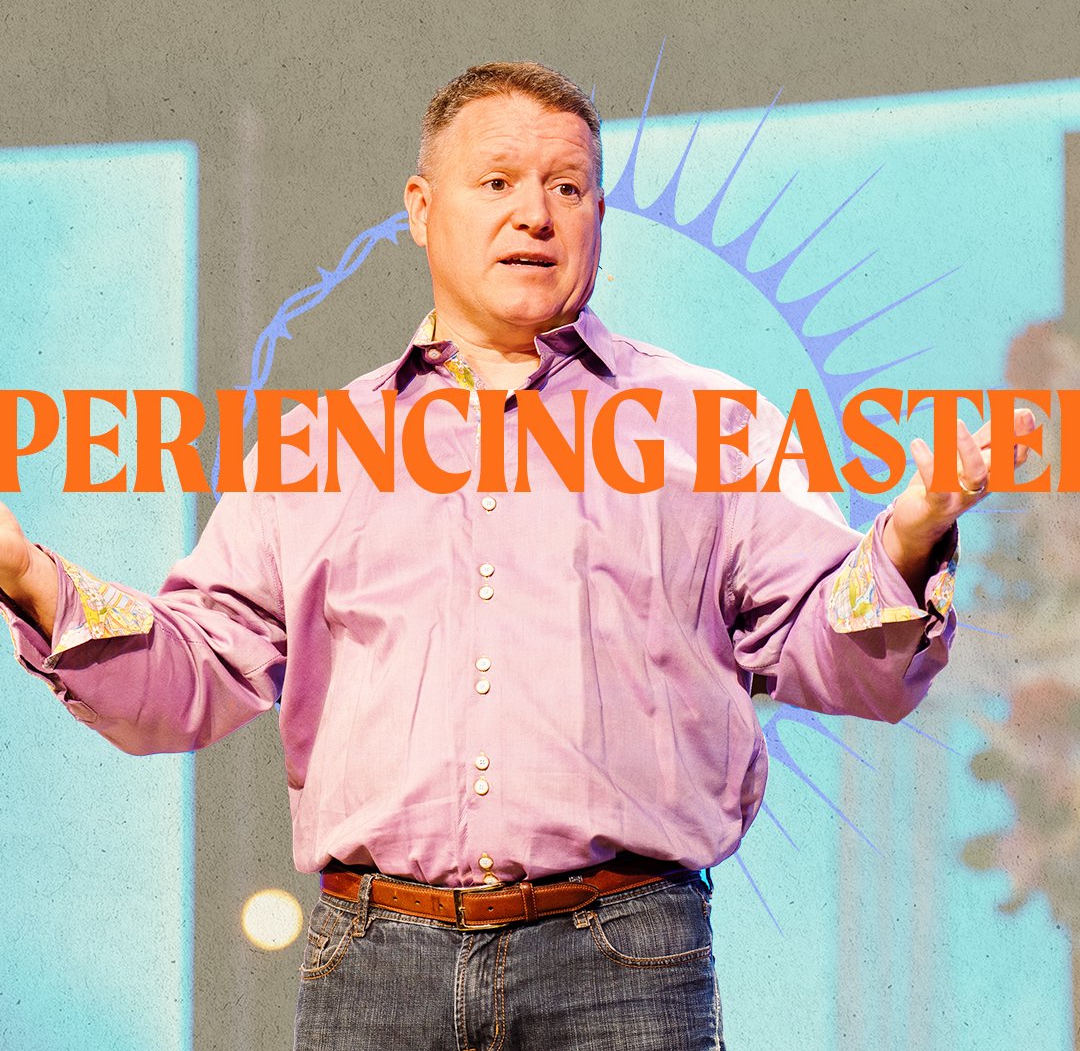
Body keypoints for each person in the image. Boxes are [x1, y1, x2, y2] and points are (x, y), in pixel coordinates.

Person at [0, 62, 1035, 1050]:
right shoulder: (317, 448)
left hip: (623, 960)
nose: (534, 213)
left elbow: (835, 656)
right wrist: (25, 574)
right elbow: (195, 668)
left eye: (566, 187)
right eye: (496, 181)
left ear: (598, 218)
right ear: (420, 209)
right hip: (376, 965)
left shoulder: (711, 427)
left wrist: (910, 532)